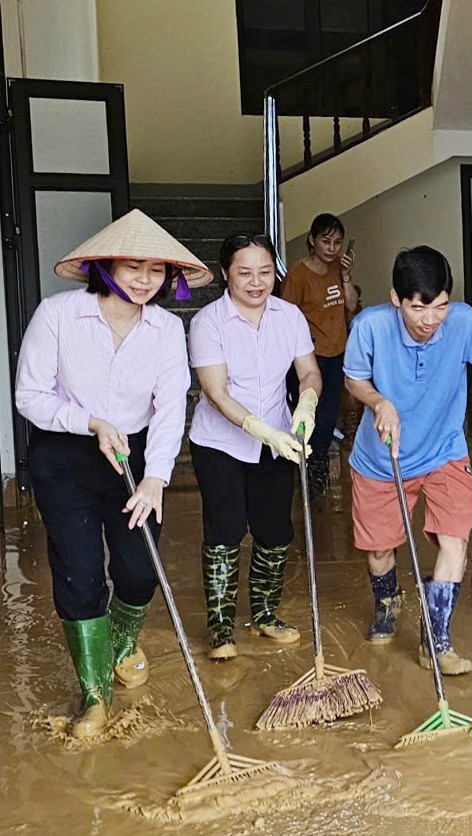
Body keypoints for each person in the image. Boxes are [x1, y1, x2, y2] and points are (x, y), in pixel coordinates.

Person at [14, 209, 207, 738]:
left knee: (140, 569)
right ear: (105, 267)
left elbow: (171, 408)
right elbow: (29, 396)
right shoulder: (56, 315)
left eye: (155, 271)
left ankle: (122, 642)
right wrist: (90, 421)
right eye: (132, 267)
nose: (145, 280)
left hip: (137, 457)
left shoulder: (168, 330)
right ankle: (94, 693)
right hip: (64, 454)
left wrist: (156, 478)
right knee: (79, 573)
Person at [344, 246, 472, 675]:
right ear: (396, 299)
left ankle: (435, 637)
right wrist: (379, 402)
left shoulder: (465, 322)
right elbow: (354, 379)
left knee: (455, 541)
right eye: (419, 308)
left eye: (440, 306)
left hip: (444, 451)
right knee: (380, 548)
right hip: (383, 458)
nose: (430, 320)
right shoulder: (370, 327)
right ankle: (387, 601)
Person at [188, 233, 323, 660]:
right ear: (226, 273)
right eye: (244, 273)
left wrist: (307, 402)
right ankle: (221, 628)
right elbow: (215, 391)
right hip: (220, 444)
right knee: (225, 532)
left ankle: (265, 614)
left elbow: (309, 371)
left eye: (265, 272)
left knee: (275, 531)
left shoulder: (289, 317)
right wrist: (258, 428)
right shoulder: (208, 322)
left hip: (279, 440)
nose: (255, 282)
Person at [280, 213, 358, 496]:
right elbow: (284, 317)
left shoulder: (339, 267)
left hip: (337, 353)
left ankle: (316, 463)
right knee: (311, 415)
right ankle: (310, 464)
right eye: (326, 241)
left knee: (328, 416)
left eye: (337, 242)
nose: (332, 248)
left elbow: (350, 306)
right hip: (308, 358)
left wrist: (347, 277)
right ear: (312, 241)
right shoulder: (298, 276)